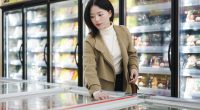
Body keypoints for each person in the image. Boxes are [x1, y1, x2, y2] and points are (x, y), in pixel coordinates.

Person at [83, 0, 139, 100]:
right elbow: (89, 68)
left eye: (100, 14)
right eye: (92, 16)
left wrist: (134, 68)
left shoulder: (123, 31)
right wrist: (95, 90)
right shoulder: (90, 40)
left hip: (125, 84)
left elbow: (132, 54)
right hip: (103, 90)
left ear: (109, 13)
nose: (96, 19)